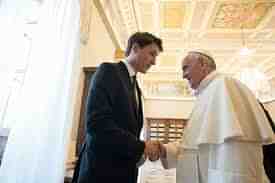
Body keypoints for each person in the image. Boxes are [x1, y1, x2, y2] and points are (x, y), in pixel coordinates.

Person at [159, 50, 274, 183]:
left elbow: (235, 154)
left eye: (185, 68)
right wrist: (166, 150)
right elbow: (197, 146)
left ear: (202, 64)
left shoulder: (225, 85)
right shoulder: (207, 93)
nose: (183, 75)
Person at [71, 32, 163, 183]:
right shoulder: (109, 71)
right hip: (101, 174)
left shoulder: (136, 86)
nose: (154, 62)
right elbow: (97, 125)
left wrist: (139, 153)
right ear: (135, 48)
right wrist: (142, 147)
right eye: (152, 54)